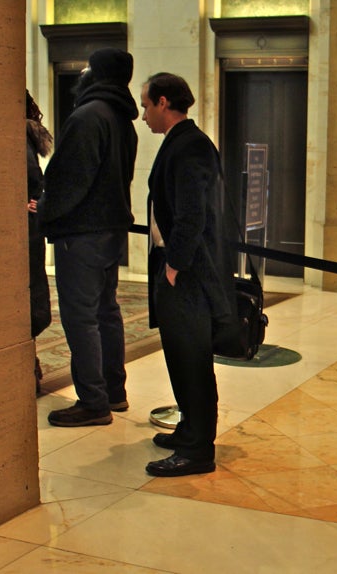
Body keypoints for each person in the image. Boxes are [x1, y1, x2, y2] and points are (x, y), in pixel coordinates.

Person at [140, 72, 237, 477]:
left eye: (146, 105)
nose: (143, 114)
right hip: (181, 269)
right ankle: (188, 429)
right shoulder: (180, 143)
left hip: (190, 273)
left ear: (164, 102)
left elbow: (193, 212)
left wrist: (176, 266)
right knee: (181, 357)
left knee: (192, 360)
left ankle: (198, 450)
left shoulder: (190, 145)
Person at [38, 48, 138, 427]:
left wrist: (45, 212)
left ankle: (93, 401)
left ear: (97, 75)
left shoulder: (86, 117)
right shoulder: (121, 120)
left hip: (82, 234)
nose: (82, 73)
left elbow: (68, 181)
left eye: (88, 68)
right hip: (111, 231)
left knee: (82, 319)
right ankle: (114, 392)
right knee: (106, 313)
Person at [26, 90, 53, 396]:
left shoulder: (20, 137)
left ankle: (29, 372)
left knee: (30, 303)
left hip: (28, 232)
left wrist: (32, 202)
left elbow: (36, 180)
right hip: (31, 231)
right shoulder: (29, 135)